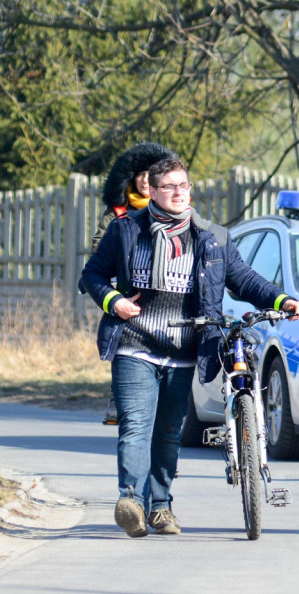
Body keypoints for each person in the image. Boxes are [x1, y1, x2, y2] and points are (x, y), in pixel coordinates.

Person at [81, 157, 299, 538]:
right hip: (135, 341)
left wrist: (280, 300)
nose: (177, 192)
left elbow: (245, 279)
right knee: (137, 426)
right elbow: (92, 275)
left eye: (183, 185)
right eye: (168, 186)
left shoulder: (212, 237)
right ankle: (131, 501)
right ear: (150, 191)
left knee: (169, 431)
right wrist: (113, 301)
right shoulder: (125, 231)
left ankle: (161, 509)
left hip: (185, 348)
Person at [91, 142, 177, 425]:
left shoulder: (174, 211)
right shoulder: (117, 213)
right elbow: (98, 249)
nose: (144, 180)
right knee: (126, 346)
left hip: (168, 292)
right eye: (139, 175)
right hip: (130, 293)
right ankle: (120, 398)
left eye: (150, 174)